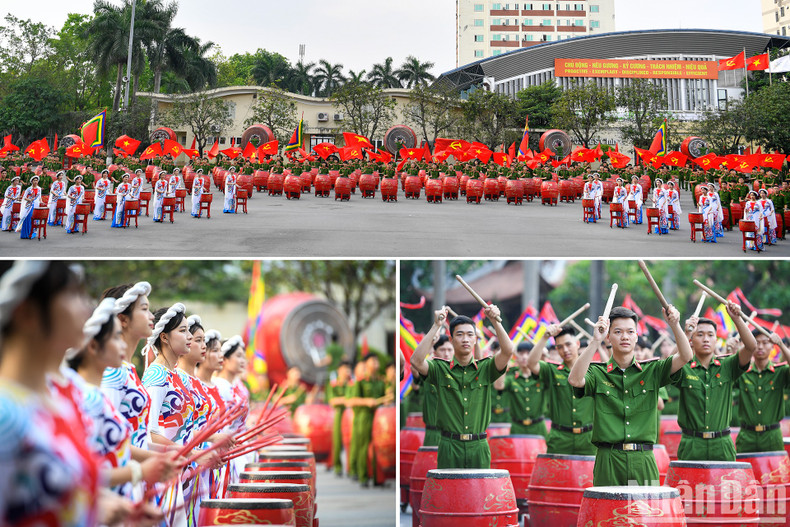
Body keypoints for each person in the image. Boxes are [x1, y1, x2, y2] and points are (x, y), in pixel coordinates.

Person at [568, 305, 692, 486]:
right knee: (607, 513)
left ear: (636, 336)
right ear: (608, 337)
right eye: (618, 332)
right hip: (608, 458)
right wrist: (595, 341)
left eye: (630, 332)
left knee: (645, 511)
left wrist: (674, 325)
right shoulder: (598, 373)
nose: (624, 337)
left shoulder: (652, 370)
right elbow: (575, 380)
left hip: (643, 459)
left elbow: (686, 356)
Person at [410, 305, 514, 469]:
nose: (465, 339)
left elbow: (508, 351)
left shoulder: (485, 369)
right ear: (451, 340)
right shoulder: (440, 369)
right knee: (449, 494)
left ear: (475, 339)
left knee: (480, 494)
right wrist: (436, 325)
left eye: (469, 335)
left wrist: (495, 321)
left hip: (479, 446)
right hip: (449, 445)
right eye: (459, 334)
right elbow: (416, 361)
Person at [673, 302, 756, 461]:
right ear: (691, 340)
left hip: (722, 444)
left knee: (726, 486)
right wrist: (685, 333)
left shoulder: (728, 366)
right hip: (691, 444)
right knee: (689, 486)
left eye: (711, 335)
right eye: (700, 334)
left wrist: (737, 319)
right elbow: (666, 364)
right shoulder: (684, 368)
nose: (706, 339)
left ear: (716, 339)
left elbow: (751, 346)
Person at [527, 326, 596, 455]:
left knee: (589, 475)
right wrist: (545, 337)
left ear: (577, 344)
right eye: (559, 347)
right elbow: (531, 363)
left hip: (588, 438)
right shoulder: (552, 370)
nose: (565, 350)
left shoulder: (592, 370)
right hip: (559, 438)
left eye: (568, 344)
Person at [735, 331, 790, 453]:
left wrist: (781, 344)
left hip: (772, 436)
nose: (760, 347)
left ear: (772, 346)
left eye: (765, 343)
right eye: (756, 343)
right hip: (746, 436)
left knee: (774, 472)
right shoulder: (743, 373)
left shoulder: (780, 371)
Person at [348, 353, 385, 487]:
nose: (376, 363)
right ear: (366, 364)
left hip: (378, 417)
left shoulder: (381, 381)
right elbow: (352, 401)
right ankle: (363, 477)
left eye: (377, 361)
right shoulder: (361, 382)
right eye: (372, 361)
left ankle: (377, 478)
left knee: (377, 447)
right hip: (364, 417)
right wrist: (367, 401)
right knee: (363, 447)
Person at [495, 342, 547, 436]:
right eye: (521, 353)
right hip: (517, 428)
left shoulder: (542, 378)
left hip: (538, 427)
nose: (524, 357)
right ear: (516, 357)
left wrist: (543, 355)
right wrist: (505, 359)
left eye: (528, 353)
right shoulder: (512, 379)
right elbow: (499, 386)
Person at [421, 335, 454, 446]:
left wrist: (477, 341)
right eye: (442, 350)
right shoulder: (429, 371)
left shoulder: (460, 372)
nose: (446, 354)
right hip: (433, 434)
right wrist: (430, 344)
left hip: (454, 435)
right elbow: (415, 366)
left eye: (450, 350)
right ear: (435, 352)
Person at [327, 360, 352, 475]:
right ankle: (337, 466)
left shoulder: (352, 384)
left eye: (347, 369)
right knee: (337, 441)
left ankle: (350, 467)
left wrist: (342, 401)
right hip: (338, 414)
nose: (346, 372)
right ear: (339, 371)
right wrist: (346, 400)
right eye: (343, 369)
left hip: (350, 414)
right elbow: (332, 401)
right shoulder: (333, 384)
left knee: (351, 441)